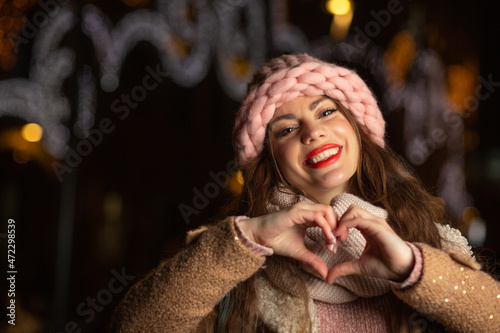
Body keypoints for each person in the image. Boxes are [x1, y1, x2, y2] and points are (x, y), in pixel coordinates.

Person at [109, 54, 500, 333]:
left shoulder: (429, 241)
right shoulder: (239, 263)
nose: (312, 132)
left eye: (326, 112)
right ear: (271, 161)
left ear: (358, 131)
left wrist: (410, 268)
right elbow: (133, 326)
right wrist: (245, 242)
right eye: (285, 129)